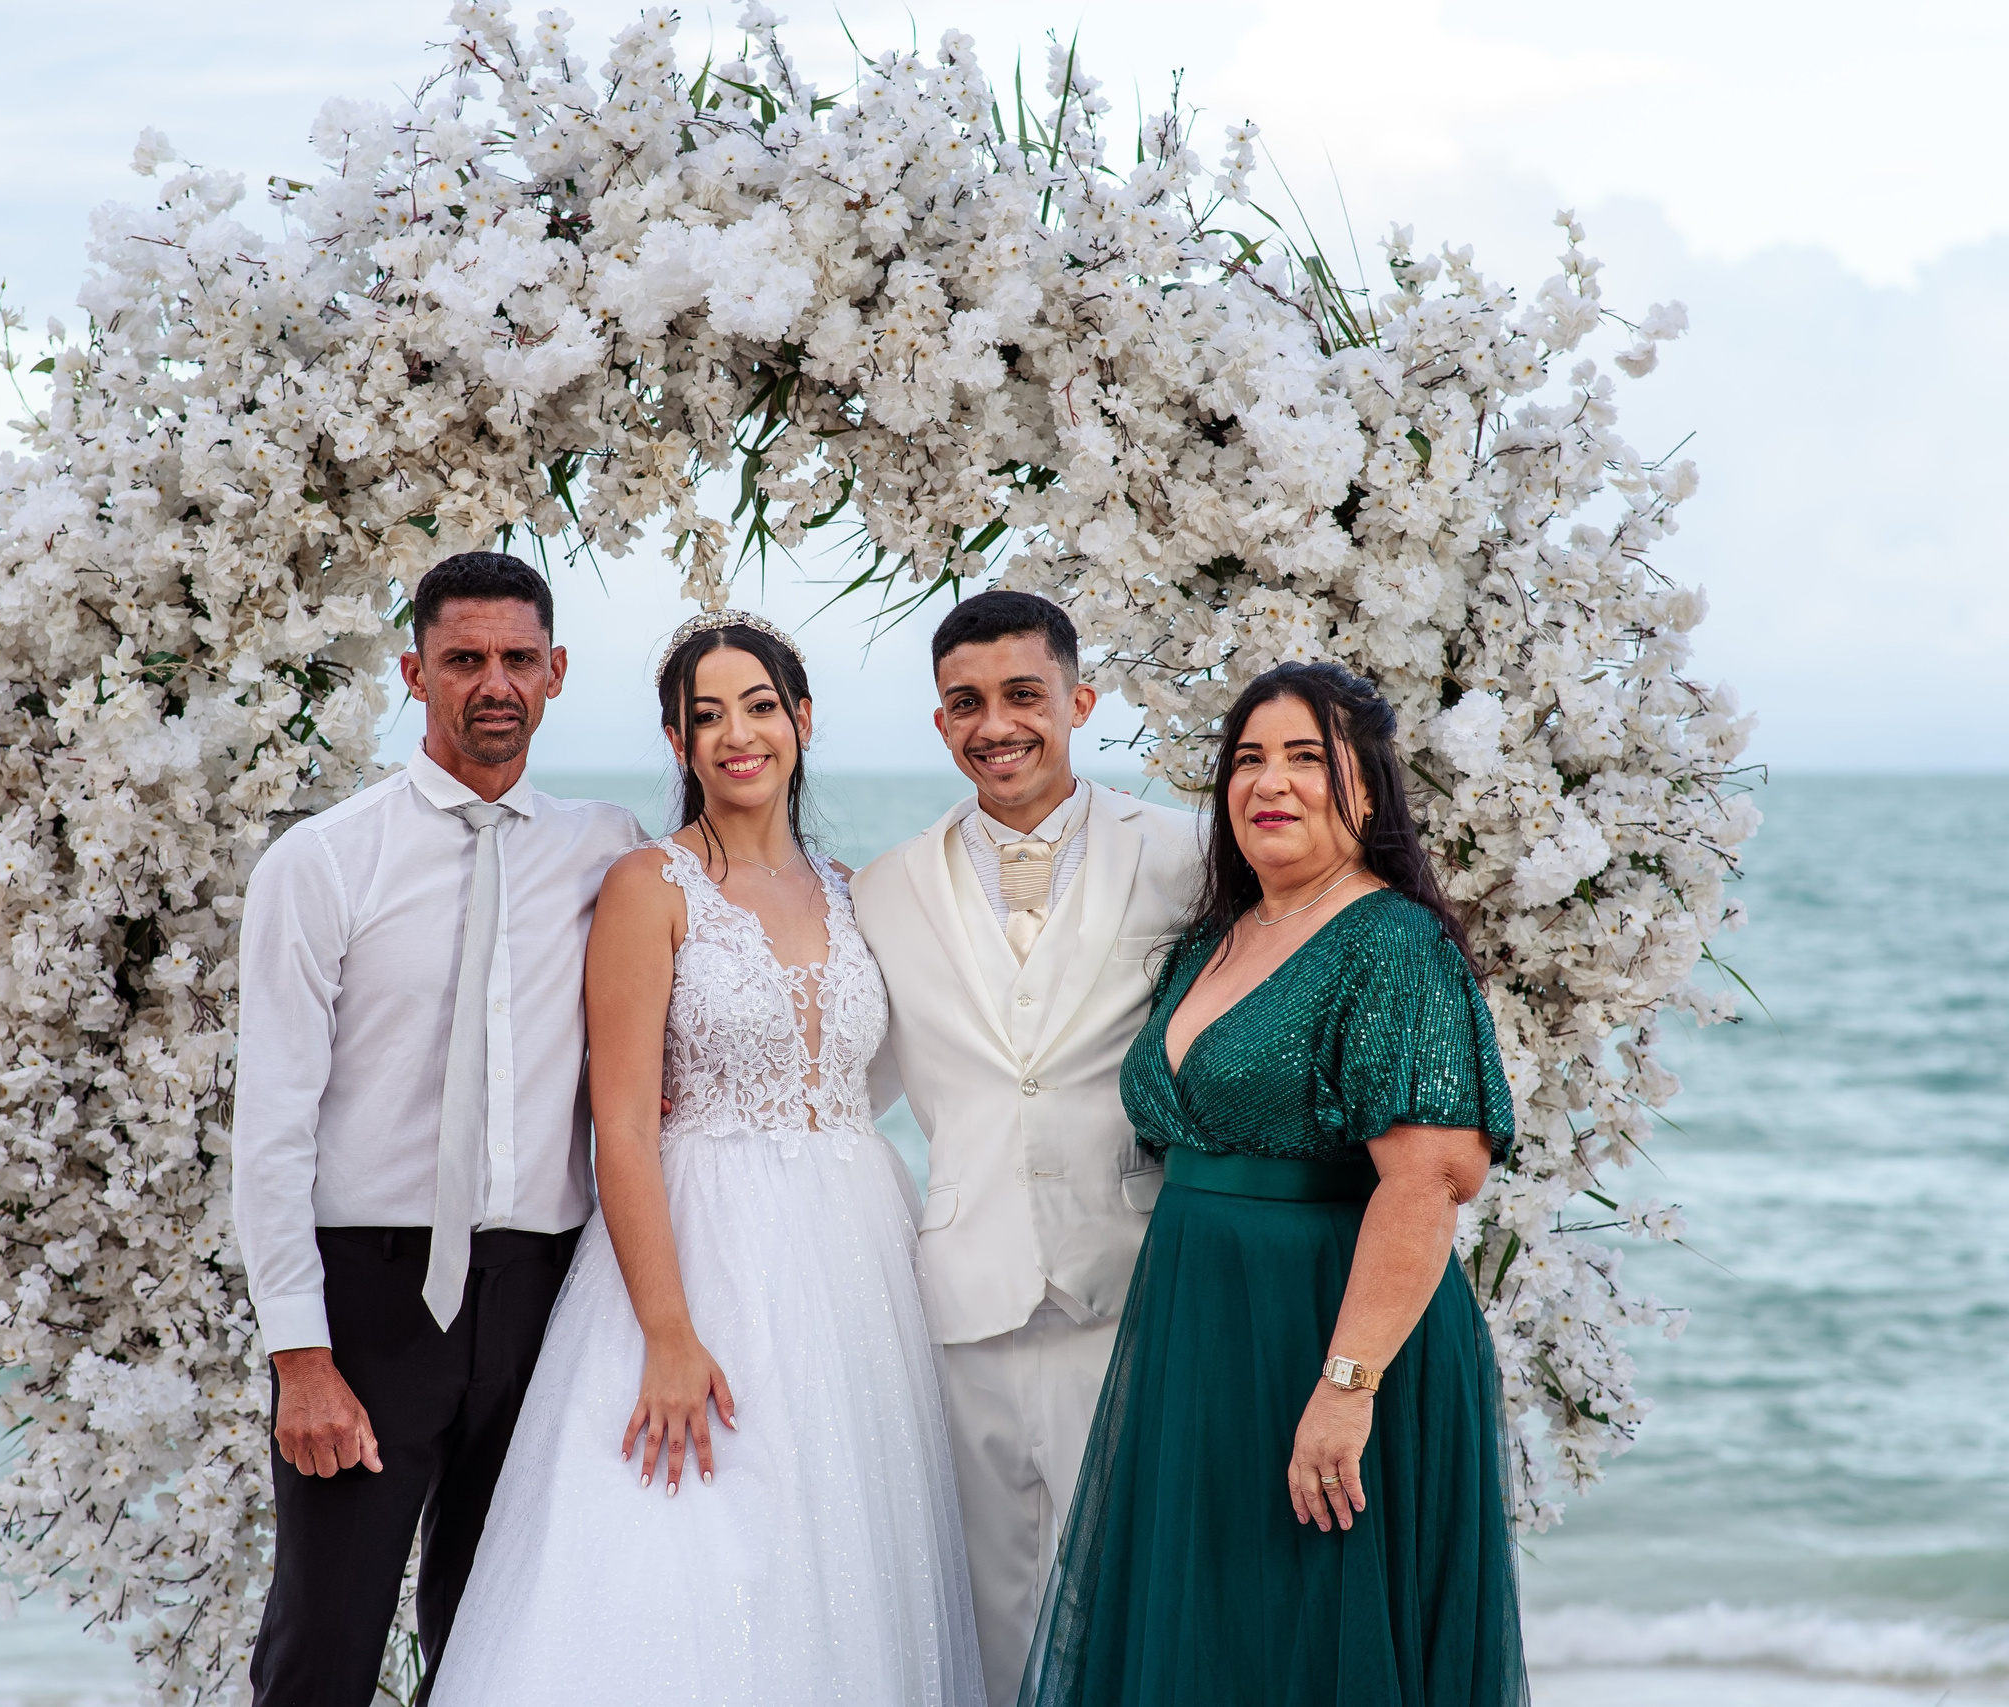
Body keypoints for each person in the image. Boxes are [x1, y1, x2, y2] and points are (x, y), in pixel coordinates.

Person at [429, 611, 986, 1707]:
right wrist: (669, 1335)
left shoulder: (849, 886)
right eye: (706, 715)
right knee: (686, 1549)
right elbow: (623, 1125)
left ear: (803, 720)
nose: (738, 733)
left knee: (840, 1559)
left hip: (854, 1260)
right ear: (678, 744)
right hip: (703, 1245)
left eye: (760, 705)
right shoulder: (651, 886)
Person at [1025, 660, 1527, 1707]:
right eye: (1248, 760)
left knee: (1305, 1635)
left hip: (1322, 1331)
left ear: (1368, 786)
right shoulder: (1220, 933)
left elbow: (1431, 1177)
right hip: (1200, 1331)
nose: (1271, 782)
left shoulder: (1391, 941)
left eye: (1307, 758)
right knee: (1210, 1638)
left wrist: (1344, 1392)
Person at [231, 552, 644, 1707]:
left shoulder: (606, 848)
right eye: (464, 660)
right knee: (324, 1641)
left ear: (556, 674)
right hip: (370, 1306)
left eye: (518, 659)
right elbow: (270, 1128)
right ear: (414, 673)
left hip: (544, 1293)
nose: (493, 683)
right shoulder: (320, 864)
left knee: (506, 1640)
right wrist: (300, 1357)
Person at [848, 590, 1203, 1706]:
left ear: (1078, 701)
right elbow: (852, 1086)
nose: (993, 724)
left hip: (1133, 1279)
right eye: (964, 703)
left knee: (1142, 1589)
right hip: (966, 1293)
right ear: (939, 722)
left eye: (1020, 695)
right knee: (990, 1605)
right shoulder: (883, 886)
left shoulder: (1188, 855)